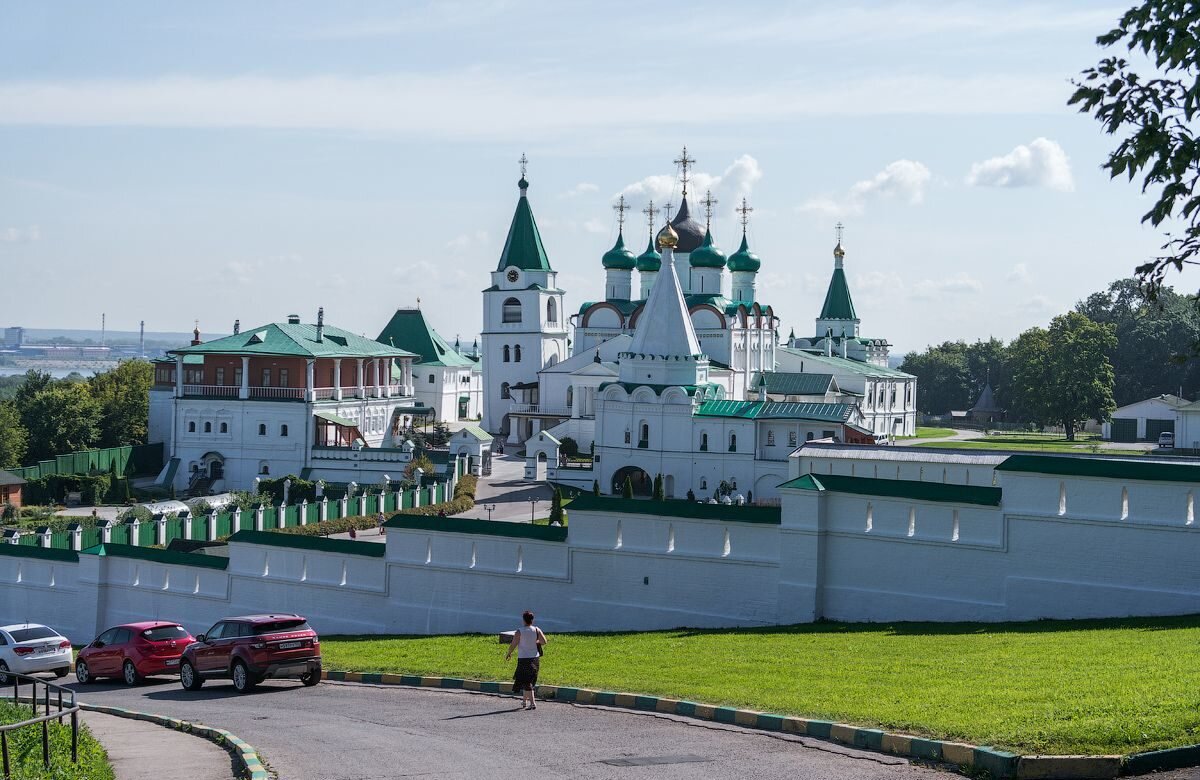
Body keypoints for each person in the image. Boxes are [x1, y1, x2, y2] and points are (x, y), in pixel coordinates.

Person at [505, 610, 546, 710]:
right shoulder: (536, 629)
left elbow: (513, 644)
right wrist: (536, 641)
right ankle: (524, 701)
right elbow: (544, 641)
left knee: (527, 682)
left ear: (523, 620)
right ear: (532, 620)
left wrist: (509, 653)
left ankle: (533, 703)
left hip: (523, 659)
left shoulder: (520, 631)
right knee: (528, 681)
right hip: (535, 659)